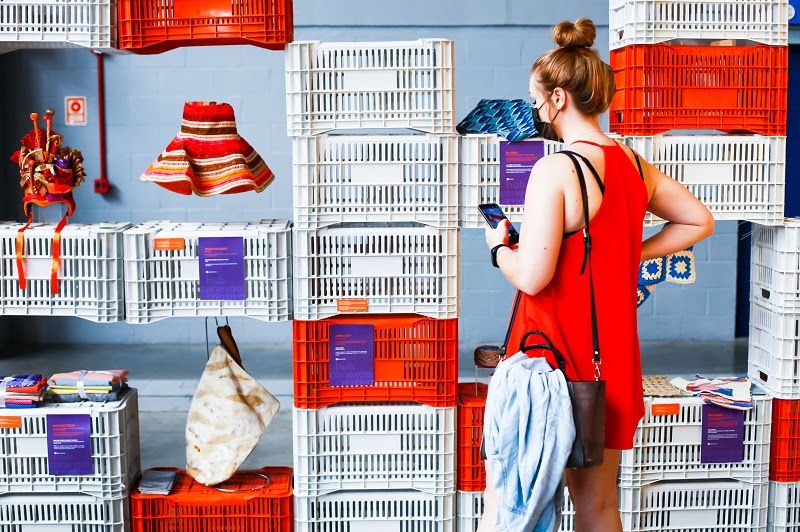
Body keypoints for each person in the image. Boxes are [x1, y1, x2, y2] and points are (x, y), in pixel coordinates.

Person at [480, 17, 715, 532]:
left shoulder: (556, 169)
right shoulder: (632, 163)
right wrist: (629, 254)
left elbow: (532, 277)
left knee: (520, 501)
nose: (536, 111)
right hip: (611, 358)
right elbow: (699, 220)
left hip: (553, 359)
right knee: (600, 505)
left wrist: (499, 248)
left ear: (558, 98)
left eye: (536, 100)